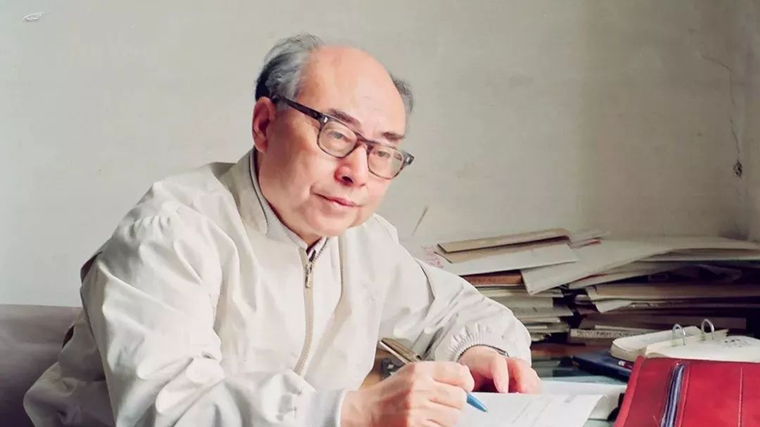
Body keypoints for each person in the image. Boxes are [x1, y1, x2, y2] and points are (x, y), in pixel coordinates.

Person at [25, 34, 539, 427]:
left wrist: (481, 353)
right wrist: (351, 412)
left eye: (382, 151)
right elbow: (169, 410)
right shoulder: (170, 232)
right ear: (264, 126)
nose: (358, 172)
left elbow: (459, 311)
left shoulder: (364, 242)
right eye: (336, 134)